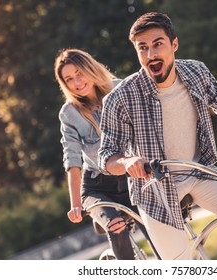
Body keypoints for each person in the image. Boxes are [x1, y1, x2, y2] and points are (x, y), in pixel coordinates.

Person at [98, 12, 217, 260]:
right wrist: (128, 162)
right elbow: (107, 156)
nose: (151, 55)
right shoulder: (121, 98)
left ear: (174, 44)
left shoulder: (195, 71)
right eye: (143, 48)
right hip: (156, 189)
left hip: (198, 171)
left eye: (158, 44)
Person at [54, 48, 156, 260]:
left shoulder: (120, 89)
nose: (77, 82)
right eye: (69, 79)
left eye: (79, 73)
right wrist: (75, 205)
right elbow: (72, 160)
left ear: (89, 68)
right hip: (98, 187)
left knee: (157, 231)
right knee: (116, 226)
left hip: (133, 178)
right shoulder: (69, 113)